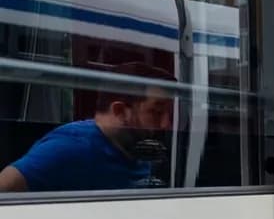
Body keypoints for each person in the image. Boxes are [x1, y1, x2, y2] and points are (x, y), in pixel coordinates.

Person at [0, 63, 174, 193]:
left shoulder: (139, 149)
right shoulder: (70, 148)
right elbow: (5, 186)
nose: (165, 124)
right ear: (120, 111)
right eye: (156, 112)